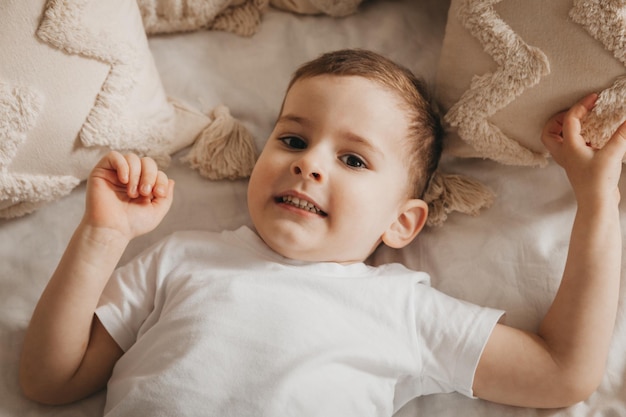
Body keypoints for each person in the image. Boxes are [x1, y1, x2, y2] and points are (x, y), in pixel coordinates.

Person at [19, 49, 626, 415]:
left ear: (402, 221)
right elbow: (49, 381)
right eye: (292, 139)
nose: (309, 163)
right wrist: (102, 236)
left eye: (354, 160)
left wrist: (596, 201)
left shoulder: (401, 310)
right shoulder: (181, 258)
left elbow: (562, 373)